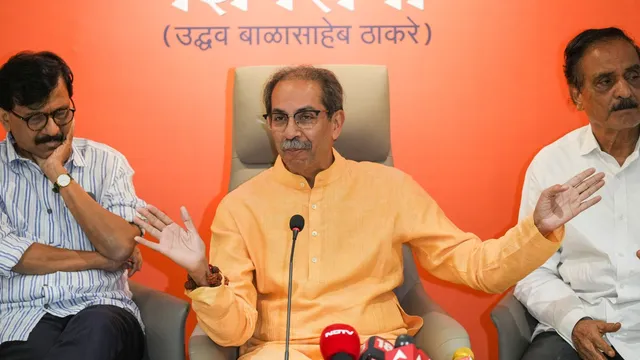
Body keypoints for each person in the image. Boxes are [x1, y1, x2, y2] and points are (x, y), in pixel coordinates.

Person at [135, 65, 605, 360]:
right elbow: (234, 328)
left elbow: (474, 265)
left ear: (336, 122)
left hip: (376, 349)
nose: (290, 131)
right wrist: (203, 274)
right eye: (279, 118)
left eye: (306, 116)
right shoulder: (239, 207)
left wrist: (538, 230)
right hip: (282, 350)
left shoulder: (389, 187)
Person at [0, 51, 146, 360]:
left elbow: (120, 246)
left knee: (98, 334)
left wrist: (58, 174)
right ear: (5, 118)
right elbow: (16, 257)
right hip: (20, 318)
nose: (53, 130)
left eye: (62, 113)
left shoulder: (107, 163)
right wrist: (100, 258)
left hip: (103, 310)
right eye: (36, 118)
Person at [514, 27, 640, 360]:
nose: (625, 90)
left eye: (634, 75)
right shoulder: (552, 164)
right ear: (576, 95)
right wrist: (575, 321)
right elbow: (530, 270)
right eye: (605, 81)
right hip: (578, 325)